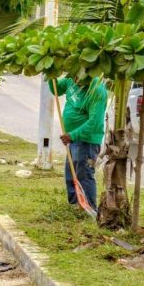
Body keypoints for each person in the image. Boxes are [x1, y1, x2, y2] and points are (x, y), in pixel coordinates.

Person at [54, 76, 108, 210]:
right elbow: (56, 89)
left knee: (84, 175)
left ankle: (88, 209)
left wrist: (72, 135)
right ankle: (74, 206)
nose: (75, 78)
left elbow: (95, 122)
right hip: (73, 139)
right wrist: (51, 76)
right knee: (70, 175)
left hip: (86, 140)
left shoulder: (97, 90)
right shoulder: (71, 79)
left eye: (78, 75)